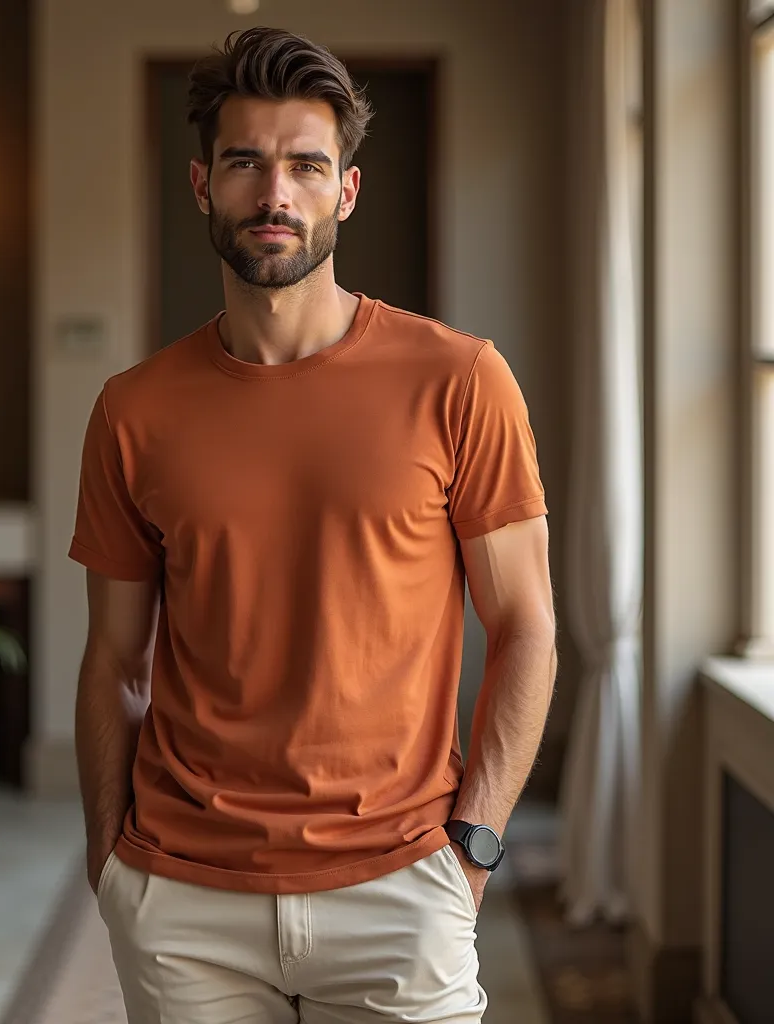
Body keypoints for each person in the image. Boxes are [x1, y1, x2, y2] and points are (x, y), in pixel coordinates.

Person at [69, 25, 557, 1024]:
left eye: (304, 165)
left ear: (346, 191)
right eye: (247, 163)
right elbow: (116, 657)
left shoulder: (460, 381)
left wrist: (472, 852)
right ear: (203, 184)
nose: (274, 194)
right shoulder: (133, 409)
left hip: (400, 889)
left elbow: (527, 629)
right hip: (183, 895)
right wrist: (109, 859)